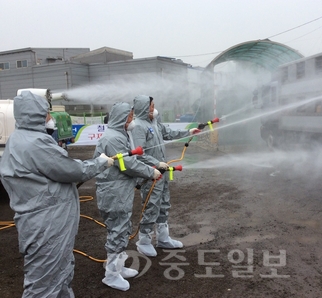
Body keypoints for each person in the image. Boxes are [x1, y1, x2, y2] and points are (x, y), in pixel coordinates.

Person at [0, 91, 114, 298]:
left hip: (43, 223)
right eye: (47, 114)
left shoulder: (20, 138)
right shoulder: (36, 143)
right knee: (44, 286)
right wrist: (101, 162)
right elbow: (73, 170)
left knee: (59, 274)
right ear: (35, 115)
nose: (51, 118)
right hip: (47, 226)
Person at [93, 102, 161, 291]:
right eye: (129, 116)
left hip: (118, 190)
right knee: (118, 229)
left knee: (121, 228)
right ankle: (112, 275)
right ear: (121, 118)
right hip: (114, 192)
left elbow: (127, 163)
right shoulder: (113, 138)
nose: (131, 119)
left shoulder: (119, 135)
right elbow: (128, 164)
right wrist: (150, 172)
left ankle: (118, 267)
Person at [130, 95, 200, 257]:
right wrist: (156, 163)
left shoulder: (154, 123)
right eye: (151, 106)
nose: (154, 109)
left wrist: (188, 131)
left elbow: (168, 133)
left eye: (154, 105)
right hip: (149, 173)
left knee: (164, 203)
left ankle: (163, 237)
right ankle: (144, 240)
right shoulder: (139, 127)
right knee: (151, 204)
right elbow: (139, 154)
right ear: (142, 108)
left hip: (161, 172)